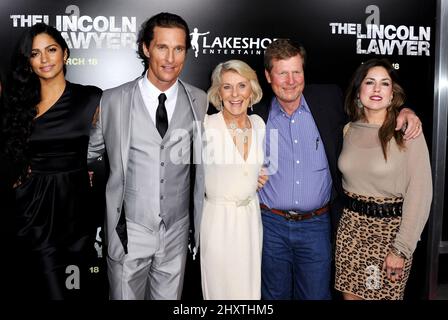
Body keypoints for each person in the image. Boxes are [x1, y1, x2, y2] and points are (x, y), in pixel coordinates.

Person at [251, 39, 422, 300]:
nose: (291, 80)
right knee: (273, 296)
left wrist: (406, 111)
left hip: (317, 226)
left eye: (297, 71)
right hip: (271, 224)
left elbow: (373, 112)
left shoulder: (328, 100)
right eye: (282, 72)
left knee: (317, 296)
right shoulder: (256, 115)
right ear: (268, 75)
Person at [88, 12, 207, 300]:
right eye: (162, 47)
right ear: (145, 48)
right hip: (128, 232)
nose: (171, 58)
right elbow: (88, 153)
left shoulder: (199, 100)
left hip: (177, 234)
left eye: (179, 48)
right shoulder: (112, 100)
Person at [1, 23, 102, 299]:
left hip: (75, 213)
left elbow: (110, 147)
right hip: (31, 214)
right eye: (35, 53)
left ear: (65, 54)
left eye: (51, 50)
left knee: (75, 290)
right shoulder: (17, 104)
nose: (45, 59)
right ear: (28, 61)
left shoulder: (91, 98)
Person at [334, 58, 432, 300]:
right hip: (351, 232)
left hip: (390, 235)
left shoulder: (407, 132)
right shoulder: (349, 130)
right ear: (359, 91)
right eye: (369, 82)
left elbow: (420, 193)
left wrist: (401, 248)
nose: (377, 89)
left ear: (392, 94)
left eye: (384, 83)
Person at [200, 59, 265, 299]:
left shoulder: (259, 124)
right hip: (218, 221)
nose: (235, 94)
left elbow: (255, 167)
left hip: (250, 219)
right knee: (220, 289)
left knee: (248, 290)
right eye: (227, 87)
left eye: (241, 85)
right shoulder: (206, 126)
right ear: (218, 92)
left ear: (252, 90)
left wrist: (259, 174)